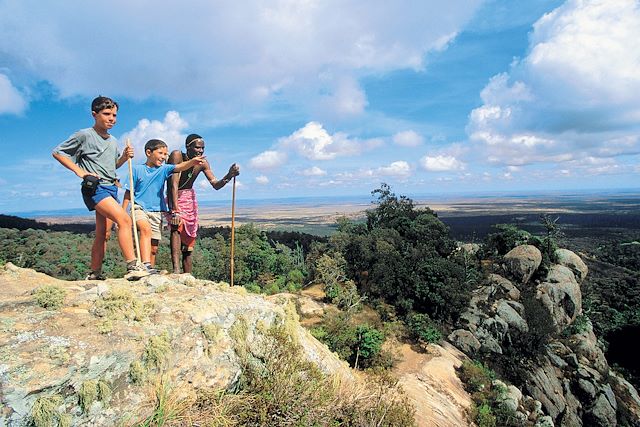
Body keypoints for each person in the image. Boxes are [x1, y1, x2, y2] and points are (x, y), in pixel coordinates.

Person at [52, 96, 149, 280]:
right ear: (94, 114)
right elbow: (58, 152)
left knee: (103, 234)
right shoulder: (85, 135)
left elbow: (114, 165)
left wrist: (125, 157)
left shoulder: (112, 140)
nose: (112, 118)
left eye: (114, 115)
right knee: (125, 220)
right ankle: (133, 266)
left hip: (111, 187)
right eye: (107, 114)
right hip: (95, 189)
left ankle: (94, 273)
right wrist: (80, 172)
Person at [122, 139, 204, 273]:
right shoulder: (136, 169)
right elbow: (128, 192)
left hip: (156, 210)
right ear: (148, 152)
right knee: (145, 230)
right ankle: (145, 264)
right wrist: (122, 212)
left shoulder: (164, 169)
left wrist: (193, 162)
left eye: (165, 154)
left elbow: (180, 167)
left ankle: (149, 270)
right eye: (160, 153)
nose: (164, 157)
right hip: (138, 207)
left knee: (154, 247)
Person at [166, 133, 240, 274]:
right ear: (188, 147)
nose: (200, 151)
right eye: (197, 148)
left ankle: (187, 275)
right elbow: (173, 184)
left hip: (189, 199)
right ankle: (176, 270)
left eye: (202, 148)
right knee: (176, 226)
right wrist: (175, 210)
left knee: (189, 239)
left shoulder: (203, 163)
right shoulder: (177, 156)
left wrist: (229, 175)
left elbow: (215, 185)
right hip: (175, 197)